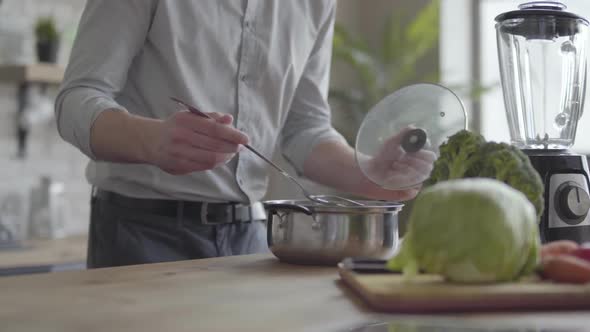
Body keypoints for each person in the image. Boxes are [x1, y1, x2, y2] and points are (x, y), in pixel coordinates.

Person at [55, 1, 432, 269]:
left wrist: (369, 170)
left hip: (250, 242)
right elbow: (77, 98)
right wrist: (150, 140)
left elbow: (304, 129)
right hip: (140, 234)